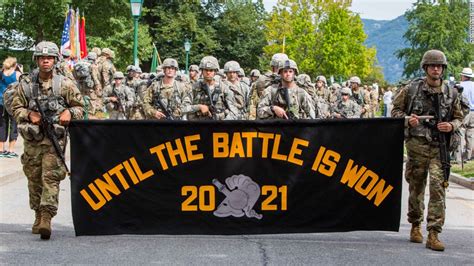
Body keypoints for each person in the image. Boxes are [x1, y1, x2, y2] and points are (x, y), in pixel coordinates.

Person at [391, 49, 465, 251]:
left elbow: (460, 116)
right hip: (416, 146)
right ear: (425, 68)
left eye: (439, 66)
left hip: (440, 147)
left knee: (437, 188)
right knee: (416, 187)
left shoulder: (451, 92)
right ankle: (415, 224)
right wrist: (408, 120)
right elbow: (395, 111)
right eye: (432, 65)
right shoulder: (411, 89)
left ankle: (434, 232)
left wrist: (451, 126)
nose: (436, 69)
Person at [10, 41, 84, 240]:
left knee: (50, 177)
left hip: (54, 141)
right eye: (42, 58)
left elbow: (80, 108)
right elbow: (15, 109)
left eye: (49, 58)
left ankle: (46, 216)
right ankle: (37, 213)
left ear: (55, 60)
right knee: (34, 179)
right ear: (37, 60)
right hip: (33, 140)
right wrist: (28, 114)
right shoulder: (26, 84)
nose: (45, 61)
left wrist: (69, 112)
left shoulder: (64, 84)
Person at [183, 56, 238, 120]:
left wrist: (223, 122)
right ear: (202, 71)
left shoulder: (223, 88)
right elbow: (183, 108)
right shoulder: (193, 87)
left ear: (215, 72)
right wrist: (199, 107)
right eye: (206, 70)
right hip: (197, 126)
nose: (208, 73)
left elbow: (234, 112)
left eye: (211, 70)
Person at [0, 57, 21, 158]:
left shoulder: (1, 73)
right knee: (14, 125)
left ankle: (1, 150)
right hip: (13, 103)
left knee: (2, 125)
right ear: (15, 64)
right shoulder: (17, 74)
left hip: (1, 102)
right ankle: (11, 150)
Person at [460, 67, 474, 160]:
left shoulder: (460, 86)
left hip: (464, 111)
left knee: (461, 131)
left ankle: (460, 156)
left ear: (463, 76)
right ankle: (468, 156)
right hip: (473, 112)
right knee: (471, 134)